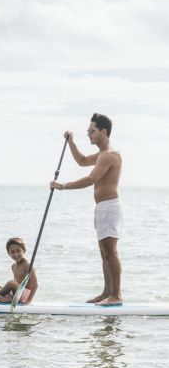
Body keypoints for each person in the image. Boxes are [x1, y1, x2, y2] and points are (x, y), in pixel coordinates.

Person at [50, 113, 122, 306]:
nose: (89, 134)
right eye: (88, 131)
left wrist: (63, 185)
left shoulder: (110, 155)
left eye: (92, 131)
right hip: (101, 208)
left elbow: (91, 180)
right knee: (104, 252)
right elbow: (81, 161)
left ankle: (116, 295)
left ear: (103, 132)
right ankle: (107, 292)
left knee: (111, 252)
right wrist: (71, 142)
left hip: (109, 207)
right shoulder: (101, 155)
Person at [0, 237, 38, 304]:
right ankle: (8, 298)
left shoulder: (28, 265)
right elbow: (16, 283)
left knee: (11, 283)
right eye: (12, 252)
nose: (16, 254)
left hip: (24, 295)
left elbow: (35, 284)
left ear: (24, 251)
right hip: (16, 293)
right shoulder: (13, 266)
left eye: (18, 251)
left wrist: (28, 301)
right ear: (8, 253)